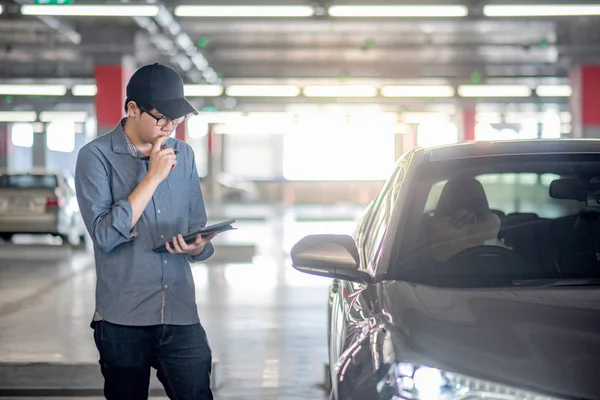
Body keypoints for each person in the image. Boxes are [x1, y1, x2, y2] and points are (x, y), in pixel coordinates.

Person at [75, 62, 216, 400]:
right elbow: (106, 236)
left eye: (177, 119)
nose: (170, 127)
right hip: (123, 316)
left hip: (180, 311)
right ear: (133, 109)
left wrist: (197, 247)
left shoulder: (184, 154)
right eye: (162, 118)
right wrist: (152, 177)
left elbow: (197, 225)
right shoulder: (95, 157)